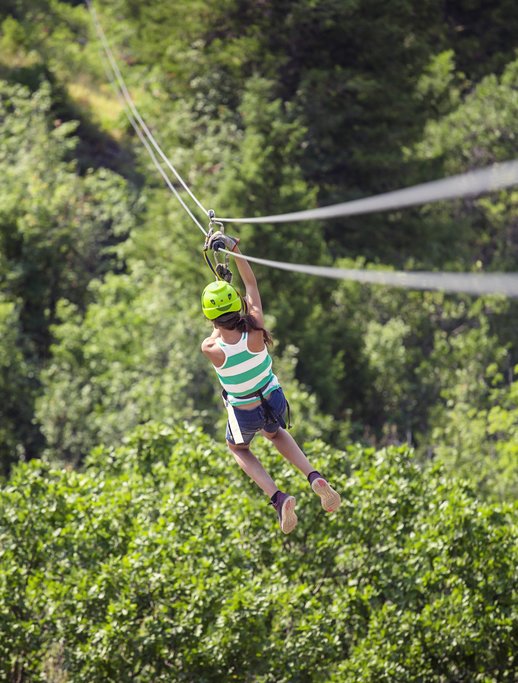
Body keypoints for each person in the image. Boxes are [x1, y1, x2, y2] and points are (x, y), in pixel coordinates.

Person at [201, 231, 341, 534]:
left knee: (238, 449)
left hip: (244, 412)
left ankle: (278, 498)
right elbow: (250, 284)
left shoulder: (211, 349)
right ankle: (313, 475)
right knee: (275, 433)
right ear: (238, 308)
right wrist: (234, 247)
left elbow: (216, 333)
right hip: (273, 398)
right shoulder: (256, 327)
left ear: (211, 318)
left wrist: (218, 297)